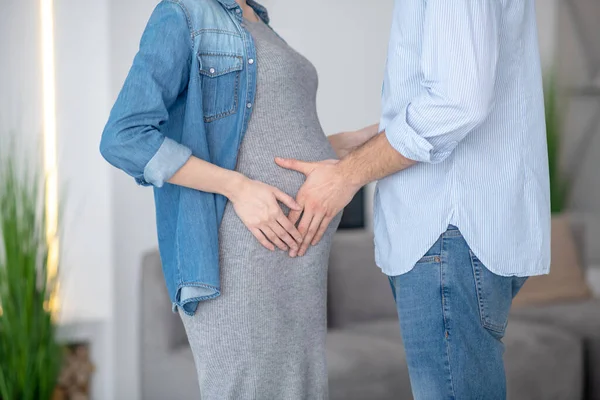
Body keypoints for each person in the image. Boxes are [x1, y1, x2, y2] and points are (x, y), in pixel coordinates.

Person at [276, 0, 550, 398]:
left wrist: (346, 177)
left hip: (448, 229)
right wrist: (363, 145)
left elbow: (457, 103)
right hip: (462, 233)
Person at [100, 0, 373, 398]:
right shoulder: (184, 13)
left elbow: (251, 136)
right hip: (243, 250)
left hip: (298, 258)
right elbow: (123, 137)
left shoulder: (256, 18)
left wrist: (336, 150)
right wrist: (238, 187)